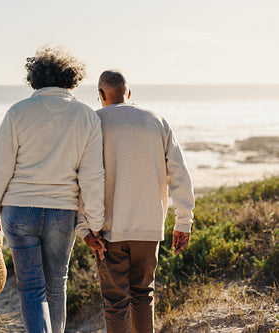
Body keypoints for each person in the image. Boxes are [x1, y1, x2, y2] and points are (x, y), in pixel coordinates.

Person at [0, 46, 105, 333]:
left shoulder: (17, 112)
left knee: (31, 287)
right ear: (71, 79)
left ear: (35, 78)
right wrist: (94, 223)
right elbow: (92, 177)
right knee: (56, 285)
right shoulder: (86, 116)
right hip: (63, 212)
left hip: (20, 208)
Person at [76, 70, 195, 333]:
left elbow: (83, 178)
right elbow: (179, 172)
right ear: (128, 94)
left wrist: (84, 228)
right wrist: (183, 222)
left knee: (115, 302)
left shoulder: (92, 122)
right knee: (143, 296)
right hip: (148, 227)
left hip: (107, 230)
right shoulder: (156, 119)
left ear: (101, 94)